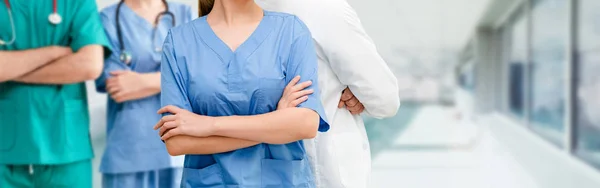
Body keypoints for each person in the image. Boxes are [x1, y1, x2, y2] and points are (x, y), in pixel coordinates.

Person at [152, 0, 330, 187]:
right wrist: (275, 122)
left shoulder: (291, 31)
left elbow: (306, 124)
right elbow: (177, 142)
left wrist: (210, 125)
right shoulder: (179, 41)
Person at [255, 0, 401, 187]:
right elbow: (385, 99)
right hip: (325, 170)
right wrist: (358, 94)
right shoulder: (325, 10)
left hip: (259, 167)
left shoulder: (244, 11)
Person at [0, 0, 111, 187]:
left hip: (67, 150)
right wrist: (52, 53)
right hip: (5, 152)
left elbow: (90, 65)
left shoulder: (77, 3)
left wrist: (12, 69)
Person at [95, 0, 193, 187]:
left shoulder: (184, 14)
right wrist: (174, 76)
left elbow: (199, 75)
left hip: (179, 150)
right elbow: (118, 86)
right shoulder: (108, 18)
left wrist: (145, 81)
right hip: (128, 152)